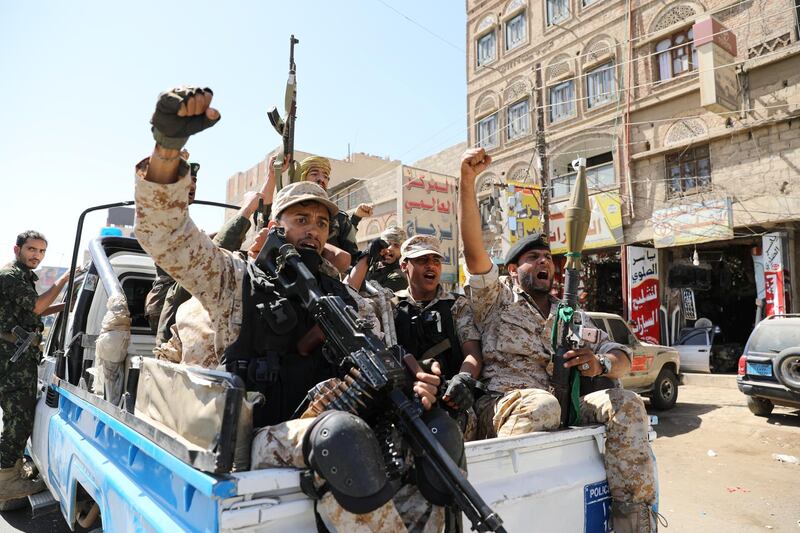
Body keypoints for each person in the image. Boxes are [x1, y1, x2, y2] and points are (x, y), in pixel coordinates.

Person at [134, 86, 457, 531]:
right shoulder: (237, 279)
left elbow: (378, 358)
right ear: (277, 225)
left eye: (322, 222)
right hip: (263, 440)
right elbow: (167, 237)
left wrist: (414, 379)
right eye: (301, 219)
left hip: (335, 433)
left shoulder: (341, 295)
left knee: (437, 436)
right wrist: (168, 150)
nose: (313, 231)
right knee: (341, 438)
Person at [458, 147, 658, 532]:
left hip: (563, 405)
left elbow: (620, 354)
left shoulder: (569, 315)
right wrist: (468, 183)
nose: (545, 262)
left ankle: (633, 522)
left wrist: (599, 364)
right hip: (504, 407)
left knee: (628, 404)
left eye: (549, 257)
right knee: (541, 405)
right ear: (514, 269)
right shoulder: (494, 299)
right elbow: (472, 251)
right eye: (533, 257)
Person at [0, 231, 69, 500]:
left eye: (41, 251)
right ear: (17, 249)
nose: (36, 255)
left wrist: (62, 306)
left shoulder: (22, 277)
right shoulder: (10, 276)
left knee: (16, 418)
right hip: (10, 358)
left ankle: (11, 469)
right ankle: (6, 481)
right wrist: (64, 280)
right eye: (31, 249)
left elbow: (32, 310)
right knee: (20, 419)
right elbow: (37, 307)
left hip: (16, 355)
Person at [260, 153, 373, 269]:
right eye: (301, 220)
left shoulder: (339, 218)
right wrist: (272, 175)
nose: (321, 179)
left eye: (326, 176)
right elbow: (263, 215)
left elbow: (351, 259)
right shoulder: (286, 211)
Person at [347, 226, 408, 292]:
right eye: (387, 244)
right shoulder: (371, 266)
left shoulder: (399, 277)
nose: (390, 248)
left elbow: (379, 298)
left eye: (396, 245)